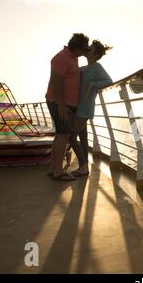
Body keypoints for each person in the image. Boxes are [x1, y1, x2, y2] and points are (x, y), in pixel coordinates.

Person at [45, 33, 89, 181]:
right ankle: (58, 171)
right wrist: (61, 104)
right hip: (60, 103)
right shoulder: (61, 58)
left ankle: (53, 168)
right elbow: (56, 80)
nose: (84, 53)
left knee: (60, 135)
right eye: (84, 49)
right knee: (63, 135)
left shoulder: (72, 57)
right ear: (77, 48)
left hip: (66, 103)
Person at [69, 40, 113, 177]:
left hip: (85, 108)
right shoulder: (84, 68)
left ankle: (82, 166)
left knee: (71, 137)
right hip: (78, 107)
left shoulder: (97, 67)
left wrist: (92, 85)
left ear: (95, 54)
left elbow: (109, 81)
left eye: (91, 48)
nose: (88, 49)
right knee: (83, 138)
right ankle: (85, 167)